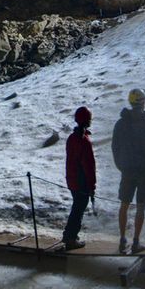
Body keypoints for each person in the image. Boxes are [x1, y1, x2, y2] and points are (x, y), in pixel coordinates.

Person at [113, 88, 145, 254]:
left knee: (124, 204)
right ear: (143, 101)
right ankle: (136, 241)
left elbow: (115, 147)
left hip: (127, 170)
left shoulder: (121, 123)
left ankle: (122, 239)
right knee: (141, 207)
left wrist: (121, 166)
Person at [62, 106, 96, 250]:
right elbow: (89, 166)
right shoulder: (84, 141)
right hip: (81, 182)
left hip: (72, 179)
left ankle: (70, 235)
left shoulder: (72, 138)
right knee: (78, 209)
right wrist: (92, 185)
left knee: (77, 207)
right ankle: (70, 237)